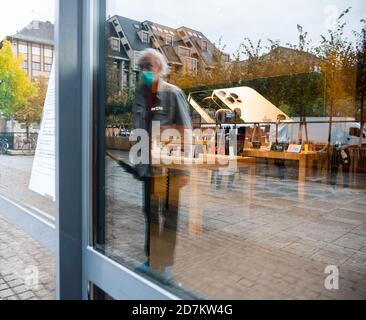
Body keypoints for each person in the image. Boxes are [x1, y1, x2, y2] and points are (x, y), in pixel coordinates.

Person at [131, 48, 192, 283]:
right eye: (142, 66)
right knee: (150, 214)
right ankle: (152, 260)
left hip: (170, 170)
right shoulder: (139, 95)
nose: (146, 70)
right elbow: (139, 132)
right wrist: (138, 164)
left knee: (169, 216)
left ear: (161, 69)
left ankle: (165, 264)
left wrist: (184, 169)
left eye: (150, 66)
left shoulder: (173, 94)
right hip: (148, 168)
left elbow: (186, 131)